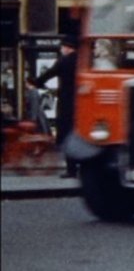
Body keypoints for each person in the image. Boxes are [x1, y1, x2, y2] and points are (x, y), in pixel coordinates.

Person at [26, 36, 78, 178]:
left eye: (62, 47)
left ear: (67, 48)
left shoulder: (64, 61)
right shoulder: (81, 61)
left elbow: (49, 74)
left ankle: (71, 169)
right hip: (82, 103)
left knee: (67, 135)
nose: (61, 50)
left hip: (68, 103)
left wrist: (35, 82)